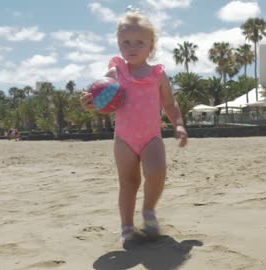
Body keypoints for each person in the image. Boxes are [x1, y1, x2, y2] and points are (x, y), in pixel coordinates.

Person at [80, 9, 188, 246]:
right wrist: (89, 104)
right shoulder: (116, 72)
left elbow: (170, 103)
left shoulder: (157, 75)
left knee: (157, 172)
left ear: (151, 45)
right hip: (124, 139)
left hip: (151, 137)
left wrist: (178, 124)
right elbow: (99, 96)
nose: (132, 47)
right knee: (128, 183)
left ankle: (148, 210)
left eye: (139, 42)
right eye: (126, 42)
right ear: (119, 45)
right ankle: (127, 227)